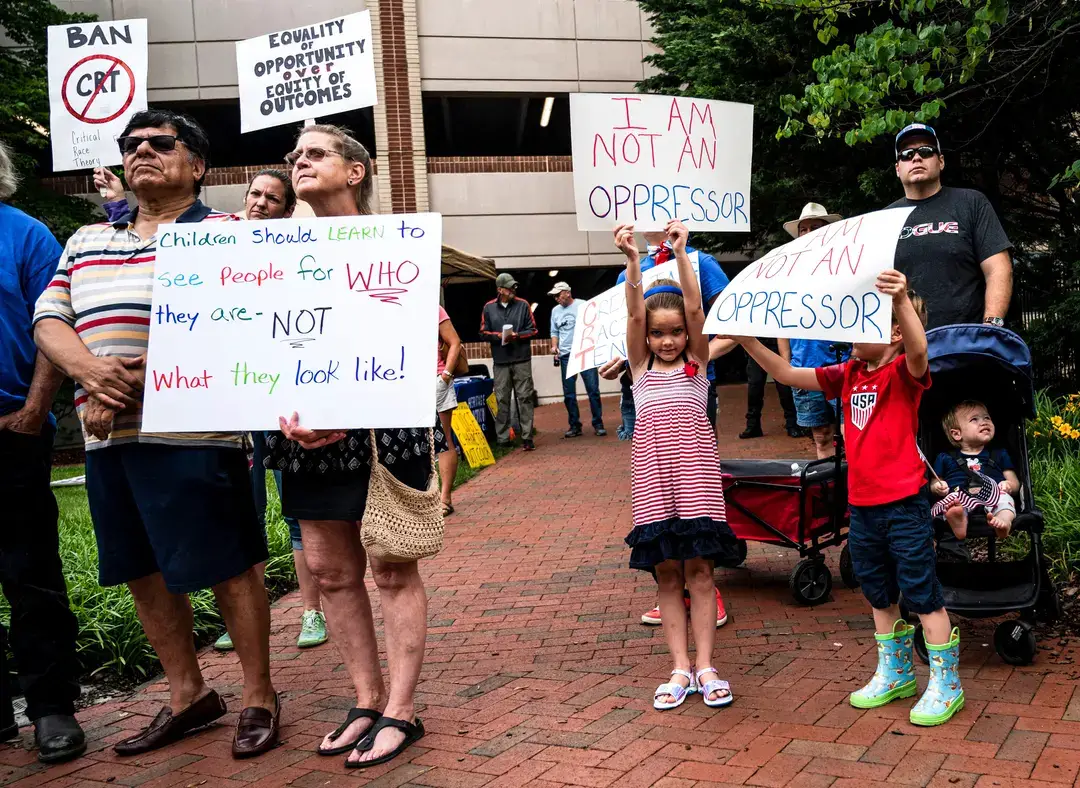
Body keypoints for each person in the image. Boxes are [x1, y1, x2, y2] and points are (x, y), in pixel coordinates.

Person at [34, 110, 280, 758]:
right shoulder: (86, 239)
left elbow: (244, 321)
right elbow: (50, 320)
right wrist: (87, 369)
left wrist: (128, 385)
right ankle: (187, 694)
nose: (141, 150)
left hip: (196, 434)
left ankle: (259, 695)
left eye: (159, 143)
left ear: (196, 165)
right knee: (141, 571)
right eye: (131, 144)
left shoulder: (228, 235)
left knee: (230, 566)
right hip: (108, 440)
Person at [95, 167, 330, 653]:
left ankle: (311, 611)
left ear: (288, 212)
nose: (261, 202)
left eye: (273, 198)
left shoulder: (296, 257)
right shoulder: (219, 242)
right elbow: (162, 262)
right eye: (255, 194)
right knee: (248, 508)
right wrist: (117, 202)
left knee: (295, 509)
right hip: (232, 409)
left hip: (285, 403)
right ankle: (244, 614)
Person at [732, 271, 965, 727]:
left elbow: (918, 351)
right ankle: (896, 674)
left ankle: (946, 684)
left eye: (865, 321)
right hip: (861, 506)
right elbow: (784, 372)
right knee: (878, 592)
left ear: (893, 332)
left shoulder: (903, 372)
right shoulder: (848, 373)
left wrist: (898, 301)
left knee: (922, 592)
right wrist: (746, 339)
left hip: (904, 505)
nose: (852, 329)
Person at [269, 123, 430, 769]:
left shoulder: (398, 245)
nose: (298, 163)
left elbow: (415, 345)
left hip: (381, 432)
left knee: (392, 567)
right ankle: (364, 700)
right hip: (305, 438)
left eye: (314, 154)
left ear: (355, 171)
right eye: (293, 157)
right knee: (332, 573)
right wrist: (285, 413)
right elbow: (264, 347)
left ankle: (401, 709)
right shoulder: (274, 253)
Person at [614, 219, 737, 711]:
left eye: (676, 334)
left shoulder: (699, 365)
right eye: (659, 334)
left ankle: (706, 666)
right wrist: (632, 262)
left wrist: (682, 255)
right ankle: (679, 667)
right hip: (653, 481)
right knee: (667, 574)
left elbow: (693, 304)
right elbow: (634, 319)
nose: (667, 341)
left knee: (701, 571)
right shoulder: (639, 370)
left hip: (699, 481)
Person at [0, 141, 85, 764]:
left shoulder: (26, 234)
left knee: (30, 573)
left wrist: (35, 411)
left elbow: (54, 325)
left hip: (10, 430)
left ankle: (51, 708)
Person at [889, 123, 1013, 330]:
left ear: (941, 161)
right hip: (907, 348)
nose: (916, 158)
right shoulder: (883, 219)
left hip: (965, 342)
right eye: (906, 154)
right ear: (897, 168)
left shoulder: (971, 202)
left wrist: (992, 326)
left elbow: (998, 269)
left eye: (926, 151)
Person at [777, 203, 849, 459]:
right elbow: (780, 322)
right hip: (804, 367)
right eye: (803, 229)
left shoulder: (847, 266)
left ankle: (852, 493)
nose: (808, 233)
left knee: (851, 434)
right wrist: (787, 364)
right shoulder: (786, 273)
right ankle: (827, 489)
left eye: (815, 228)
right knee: (821, 435)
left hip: (843, 365)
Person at [931, 400, 1018, 540]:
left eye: (987, 418)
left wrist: (1009, 485)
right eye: (974, 419)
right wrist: (937, 487)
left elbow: (1014, 482)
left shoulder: (999, 454)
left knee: (1005, 500)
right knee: (951, 503)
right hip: (960, 496)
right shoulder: (945, 457)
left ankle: (1004, 521)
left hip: (992, 495)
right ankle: (959, 519)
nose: (984, 422)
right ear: (957, 434)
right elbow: (935, 482)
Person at [480, 273, 538, 451]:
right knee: (502, 399)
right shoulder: (488, 308)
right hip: (501, 360)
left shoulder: (523, 305)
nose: (513, 289)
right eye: (510, 287)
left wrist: (518, 335)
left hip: (521, 359)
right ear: (500, 289)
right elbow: (482, 332)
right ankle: (503, 438)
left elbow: (534, 329)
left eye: (514, 286)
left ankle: (527, 437)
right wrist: (498, 336)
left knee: (525, 398)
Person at [549, 282, 605, 438]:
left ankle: (598, 423)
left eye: (558, 295)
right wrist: (555, 346)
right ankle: (574, 426)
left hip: (585, 353)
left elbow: (594, 325)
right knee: (569, 394)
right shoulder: (555, 311)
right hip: (566, 355)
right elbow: (554, 331)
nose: (556, 298)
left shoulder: (583, 305)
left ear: (567, 292)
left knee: (593, 390)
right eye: (554, 296)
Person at [437, 306, 462, 515]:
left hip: (435, 380)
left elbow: (454, 342)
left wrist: (445, 375)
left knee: (443, 439)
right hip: (402, 382)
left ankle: (445, 497)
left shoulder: (433, 309)